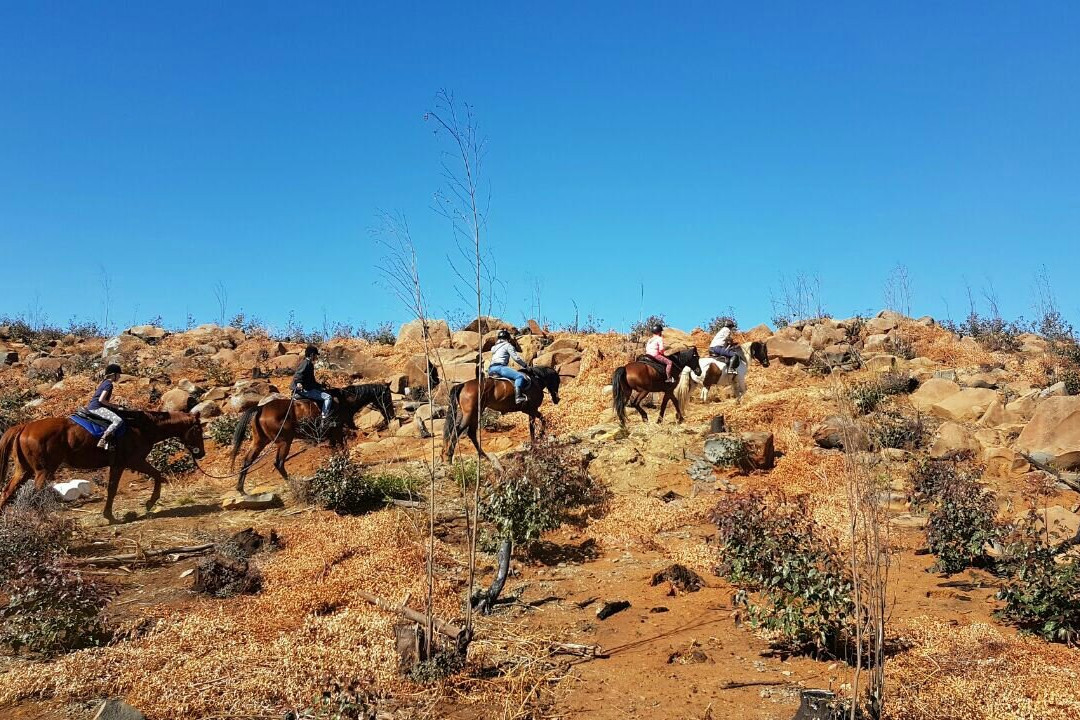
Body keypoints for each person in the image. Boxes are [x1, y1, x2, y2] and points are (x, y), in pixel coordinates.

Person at [87, 364, 124, 449]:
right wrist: (115, 406)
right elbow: (101, 400)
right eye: (118, 374)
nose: (120, 376)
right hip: (97, 408)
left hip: (94, 406)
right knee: (118, 420)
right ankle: (103, 439)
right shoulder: (109, 384)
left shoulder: (104, 382)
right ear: (113, 375)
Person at [487, 329, 529, 404]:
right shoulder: (508, 345)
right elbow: (516, 358)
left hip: (491, 369)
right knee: (519, 377)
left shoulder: (494, 348)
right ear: (507, 338)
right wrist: (525, 365)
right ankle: (518, 397)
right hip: (500, 368)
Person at [292, 345, 333, 420]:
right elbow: (298, 374)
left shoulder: (309, 364)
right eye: (316, 355)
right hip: (304, 390)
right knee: (328, 397)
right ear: (312, 355)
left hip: (307, 388)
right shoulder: (306, 363)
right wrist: (298, 382)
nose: (316, 357)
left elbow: (311, 381)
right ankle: (324, 416)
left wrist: (320, 386)